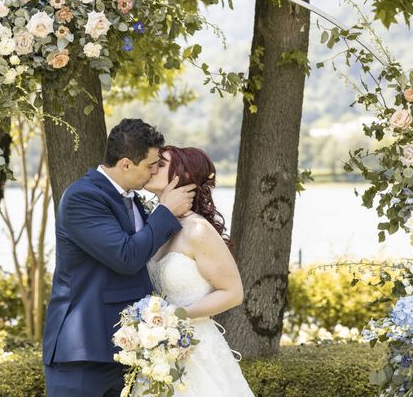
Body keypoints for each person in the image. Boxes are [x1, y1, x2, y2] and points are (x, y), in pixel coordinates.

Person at [42, 119, 197, 397]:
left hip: (125, 349)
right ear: (125, 164)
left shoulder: (132, 198)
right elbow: (125, 256)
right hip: (83, 352)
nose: (153, 172)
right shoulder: (83, 196)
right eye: (150, 165)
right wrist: (165, 212)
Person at [141, 145, 254, 396]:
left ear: (183, 177)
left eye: (160, 165)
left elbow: (233, 293)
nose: (151, 168)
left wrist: (177, 317)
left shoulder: (197, 230)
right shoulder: (154, 227)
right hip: (159, 350)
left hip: (197, 349)